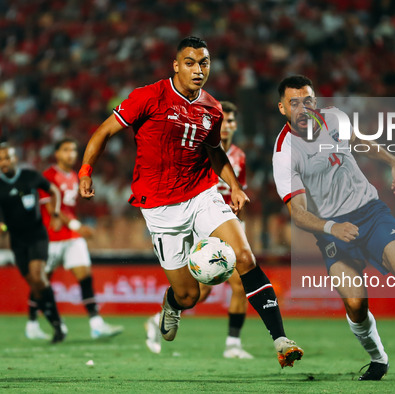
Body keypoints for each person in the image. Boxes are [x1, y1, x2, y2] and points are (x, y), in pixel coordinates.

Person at [79, 37, 303, 367]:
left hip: (202, 194)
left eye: (204, 63)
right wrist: (86, 171)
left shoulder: (212, 108)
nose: (198, 70)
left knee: (244, 257)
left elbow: (214, 152)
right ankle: (172, 304)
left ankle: (281, 340)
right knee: (189, 295)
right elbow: (103, 132)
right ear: (176, 65)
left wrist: (235, 187)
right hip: (158, 207)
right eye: (190, 63)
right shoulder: (148, 97)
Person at [272, 75, 395, 380]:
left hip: (370, 214)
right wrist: (332, 227)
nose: (303, 108)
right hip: (333, 233)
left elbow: (359, 142)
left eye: (308, 100)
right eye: (295, 103)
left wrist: (392, 160)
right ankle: (378, 359)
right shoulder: (284, 153)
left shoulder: (334, 119)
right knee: (355, 303)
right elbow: (298, 214)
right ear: (282, 108)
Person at [144, 101, 253, 358]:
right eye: (224, 120)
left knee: (227, 286)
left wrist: (242, 226)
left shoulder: (238, 157)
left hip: (224, 223)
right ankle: (230, 343)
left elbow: (238, 192)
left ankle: (232, 344)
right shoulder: (197, 149)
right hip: (198, 221)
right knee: (198, 292)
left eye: (232, 121)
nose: (228, 126)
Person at [25, 138, 124, 340]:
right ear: (57, 154)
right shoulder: (48, 176)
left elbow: (67, 210)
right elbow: (52, 208)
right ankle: (32, 324)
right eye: (66, 150)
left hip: (71, 236)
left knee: (85, 277)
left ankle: (96, 324)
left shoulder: (72, 176)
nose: (71, 154)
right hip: (50, 238)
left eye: (73, 150)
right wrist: (77, 225)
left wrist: (74, 226)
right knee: (42, 282)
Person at [0, 143, 66, 343]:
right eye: (0, 159)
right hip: (17, 241)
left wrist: (55, 213)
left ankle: (57, 326)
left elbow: (54, 190)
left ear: (15, 158)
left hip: (37, 236)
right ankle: (56, 323)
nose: (3, 162)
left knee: (38, 276)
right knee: (35, 285)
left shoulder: (30, 176)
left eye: (6, 158)